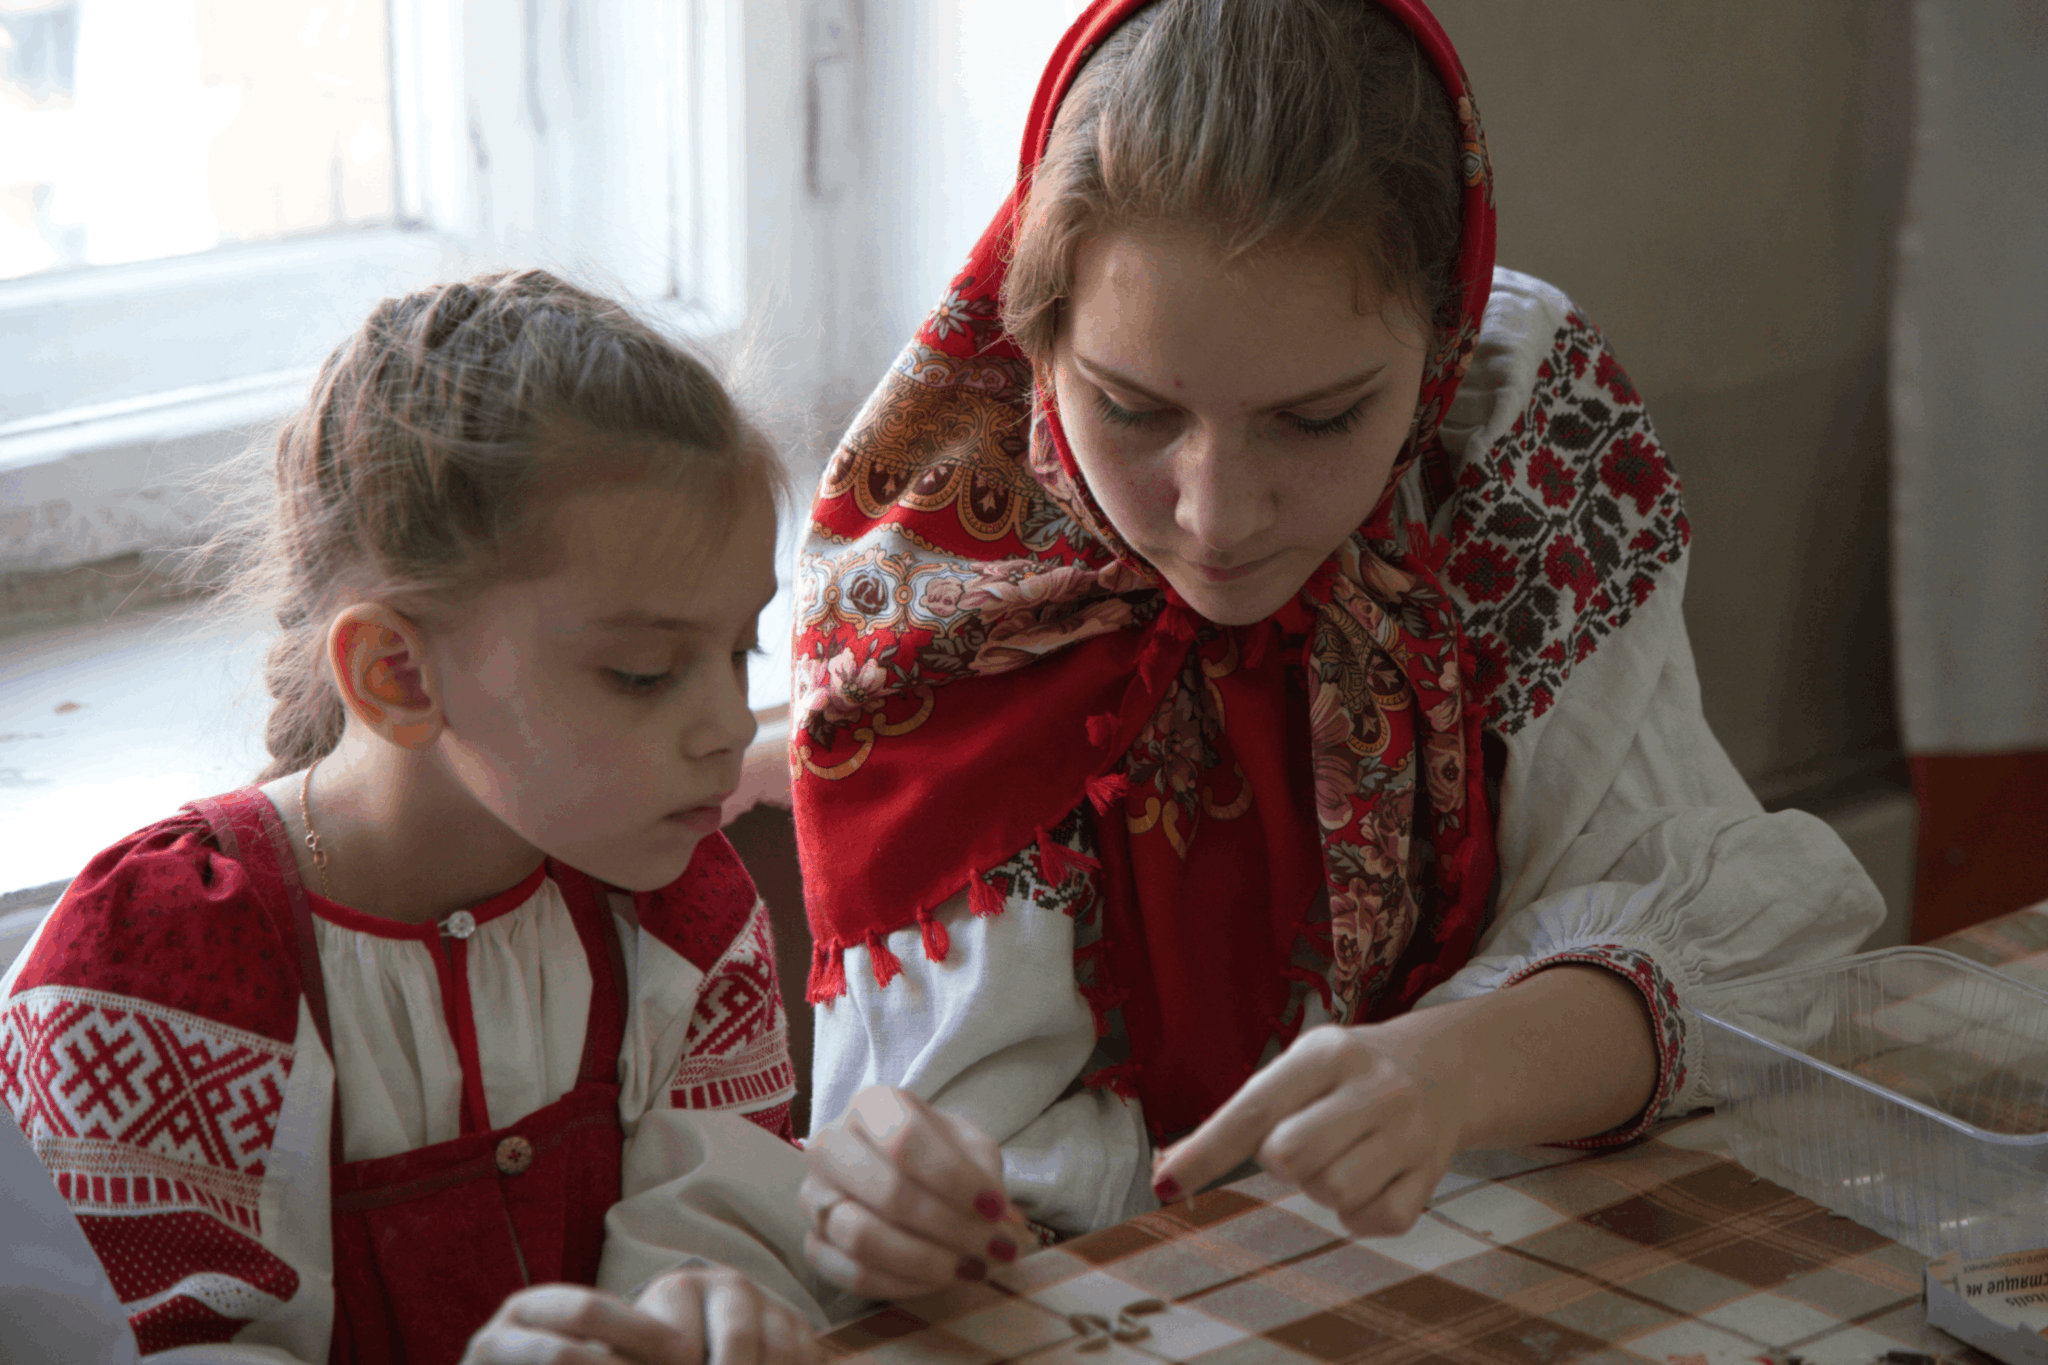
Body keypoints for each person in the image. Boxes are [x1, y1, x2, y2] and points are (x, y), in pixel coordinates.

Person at [788, 0, 1884, 1300]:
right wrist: (914, 1205)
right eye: (1133, 408)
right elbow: (971, 1165)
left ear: (1440, 340)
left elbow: (1759, 941)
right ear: (1038, 329)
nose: (1215, 512)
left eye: (1317, 420)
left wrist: (1452, 1069)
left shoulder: (1508, 430)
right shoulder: (937, 577)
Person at [0, 271, 857, 1363]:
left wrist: (700, 1315)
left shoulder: (679, 911)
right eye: (644, 672)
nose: (728, 726)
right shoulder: (152, 966)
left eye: (739, 651)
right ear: (397, 674)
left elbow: (718, 1235)